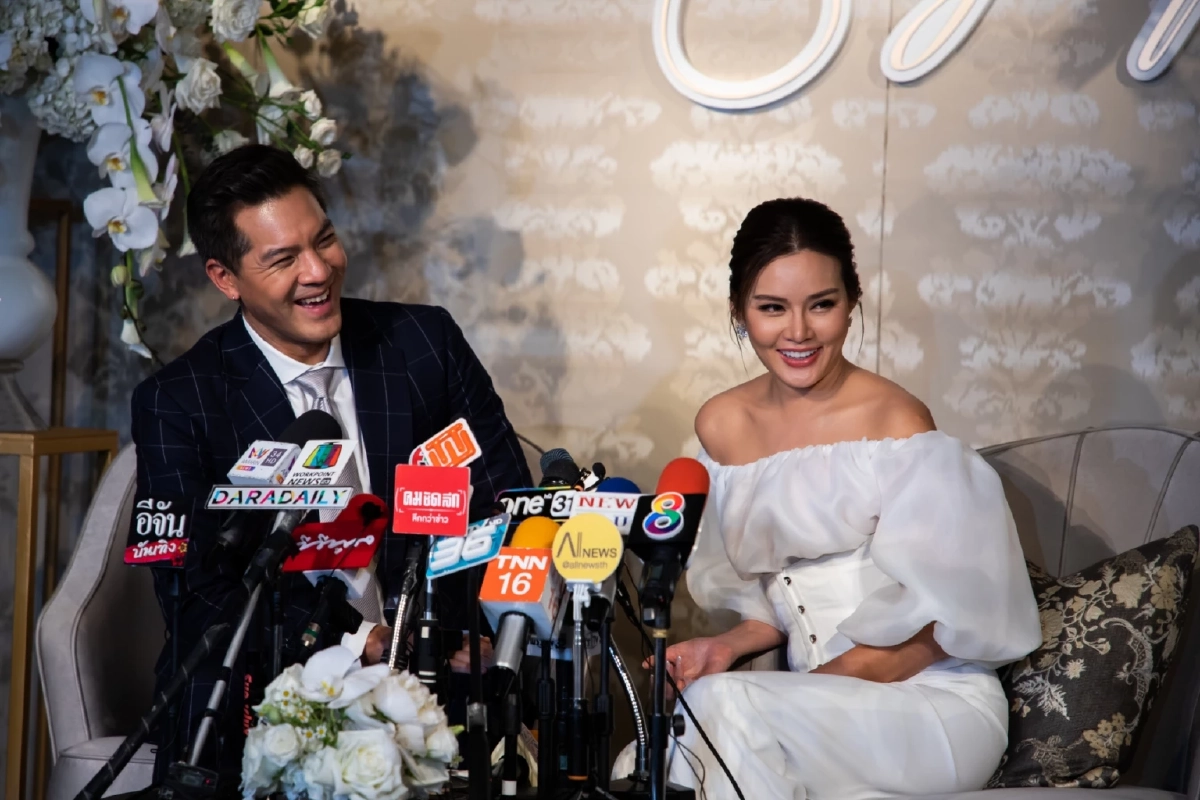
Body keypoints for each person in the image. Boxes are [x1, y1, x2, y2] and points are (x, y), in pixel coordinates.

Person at [130, 144, 532, 782]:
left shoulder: (424, 346)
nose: (318, 271)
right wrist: (357, 642)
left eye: (324, 241)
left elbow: (505, 508)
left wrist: (483, 634)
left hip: (440, 678)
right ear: (225, 278)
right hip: (261, 695)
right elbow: (197, 592)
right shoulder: (179, 400)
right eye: (283, 259)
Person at [652, 198, 1042, 799]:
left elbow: (941, 626)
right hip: (807, 710)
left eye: (822, 305)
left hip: (929, 702)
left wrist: (796, 690)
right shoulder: (724, 424)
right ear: (738, 310)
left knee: (719, 715)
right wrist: (724, 647)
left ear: (852, 302)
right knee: (664, 747)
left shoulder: (897, 422)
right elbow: (775, 596)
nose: (798, 332)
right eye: (772, 308)